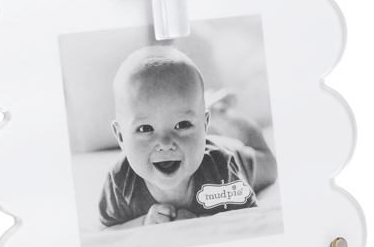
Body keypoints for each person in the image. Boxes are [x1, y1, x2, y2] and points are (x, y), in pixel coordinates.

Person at [98, 46, 277, 227]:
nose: (165, 143)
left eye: (182, 125)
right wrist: (144, 221)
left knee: (272, 166)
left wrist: (200, 221)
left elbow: (246, 218)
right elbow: (111, 229)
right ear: (121, 137)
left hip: (236, 156)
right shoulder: (120, 182)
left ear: (204, 126)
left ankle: (222, 114)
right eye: (145, 128)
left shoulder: (221, 169)